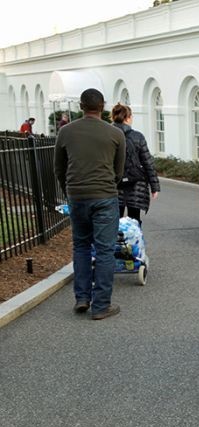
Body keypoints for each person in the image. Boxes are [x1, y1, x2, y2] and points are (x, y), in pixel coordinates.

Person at [54, 88, 125, 320]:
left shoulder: (65, 132)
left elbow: (59, 168)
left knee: (81, 246)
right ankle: (101, 306)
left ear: (81, 106)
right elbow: (118, 170)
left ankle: (82, 298)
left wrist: (70, 190)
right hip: (104, 196)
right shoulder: (115, 134)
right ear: (102, 106)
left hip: (77, 196)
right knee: (105, 250)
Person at [111, 103, 160, 225]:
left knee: (115, 221)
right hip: (136, 183)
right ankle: (133, 243)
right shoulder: (137, 136)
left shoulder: (108, 135)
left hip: (114, 183)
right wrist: (155, 187)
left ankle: (117, 243)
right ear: (127, 118)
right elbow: (147, 162)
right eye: (131, 116)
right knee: (134, 220)